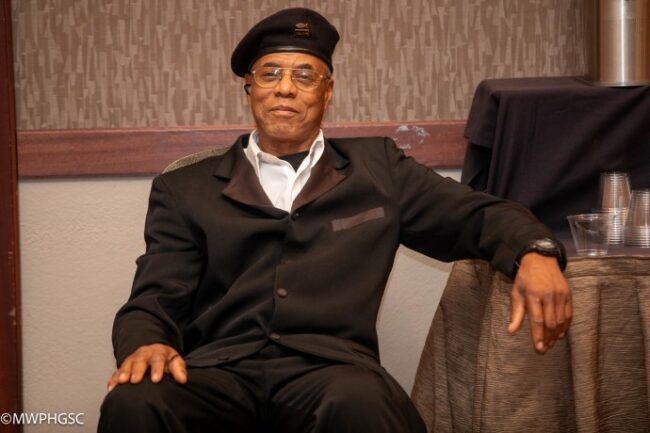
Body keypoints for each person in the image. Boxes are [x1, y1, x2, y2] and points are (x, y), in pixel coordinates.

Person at [98, 7, 571, 433]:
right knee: (135, 402)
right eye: (270, 73)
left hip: (331, 371)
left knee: (361, 402)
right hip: (218, 372)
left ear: (327, 93)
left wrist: (535, 251)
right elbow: (153, 298)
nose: (285, 87)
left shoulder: (379, 169)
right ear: (250, 90)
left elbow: (477, 215)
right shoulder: (185, 188)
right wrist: (146, 343)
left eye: (305, 75)